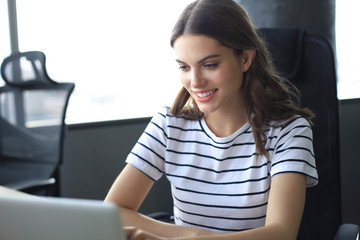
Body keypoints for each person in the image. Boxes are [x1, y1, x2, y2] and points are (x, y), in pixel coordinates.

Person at [105, 0, 318, 239]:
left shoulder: (289, 132)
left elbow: (281, 234)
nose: (195, 81)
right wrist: (192, 234)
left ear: (245, 59)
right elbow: (114, 211)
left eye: (209, 65)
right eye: (184, 67)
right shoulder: (168, 124)